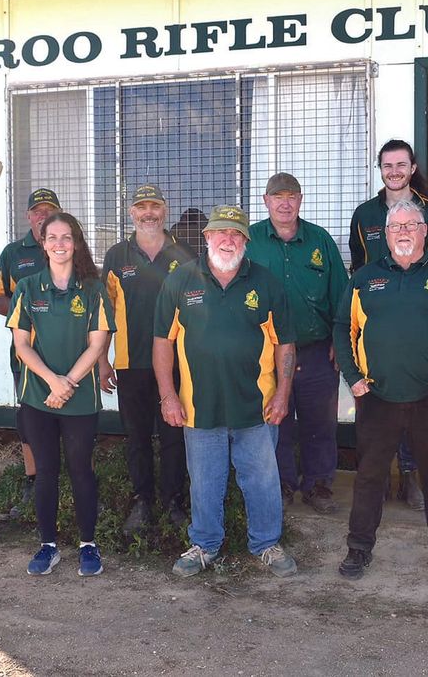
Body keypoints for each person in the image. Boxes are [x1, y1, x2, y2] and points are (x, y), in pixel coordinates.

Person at [334, 200, 428, 584]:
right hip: (377, 399)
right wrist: (355, 380)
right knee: (369, 478)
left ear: (424, 231)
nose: (402, 232)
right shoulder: (365, 279)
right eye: (395, 226)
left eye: (411, 225)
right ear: (386, 232)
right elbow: (342, 329)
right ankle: (358, 550)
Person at [154, 205, 298, 578]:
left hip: (258, 406)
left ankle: (266, 543)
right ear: (207, 237)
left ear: (246, 241)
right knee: (204, 480)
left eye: (236, 234)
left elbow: (285, 345)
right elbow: (161, 343)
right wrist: (168, 396)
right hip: (199, 406)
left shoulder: (265, 282)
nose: (228, 240)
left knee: (263, 479)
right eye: (221, 233)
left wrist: (283, 394)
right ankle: (205, 544)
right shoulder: (180, 281)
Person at [6, 212, 113, 576]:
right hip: (38, 397)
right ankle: (47, 545)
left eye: (67, 237)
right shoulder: (28, 287)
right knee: (46, 472)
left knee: (81, 469)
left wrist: (67, 383)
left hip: (80, 399)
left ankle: (88, 545)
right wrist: (52, 381)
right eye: (52, 237)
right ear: (43, 243)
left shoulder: (94, 288)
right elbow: (21, 345)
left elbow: (98, 343)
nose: (59, 244)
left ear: (77, 242)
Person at [349, 139, 428, 510]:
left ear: (412, 169)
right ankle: (375, 479)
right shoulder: (364, 215)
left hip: (421, 329)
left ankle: (411, 477)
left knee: (415, 403)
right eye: (387, 165)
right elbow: (357, 270)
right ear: (381, 170)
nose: (394, 171)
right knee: (374, 406)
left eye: (401, 165)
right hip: (374, 330)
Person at [245, 173, 348, 513]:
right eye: (278, 197)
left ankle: (318, 486)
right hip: (266, 353)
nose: (285, 203)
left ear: (300, 200)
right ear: (266, 201)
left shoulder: (320, 240)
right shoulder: (252, 241)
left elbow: (341, 295)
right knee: (277, 419)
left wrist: (339, 337)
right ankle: (283, 484)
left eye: (291, 196)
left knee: (320, 422)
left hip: (317, 348)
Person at [99, 184, 195, 534]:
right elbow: (104, 314)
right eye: (142, 207)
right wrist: (102, 361)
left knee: (174, 436)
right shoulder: (116, 256)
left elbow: (195, 310)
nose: (148, 213)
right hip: (130, 361)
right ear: (131, 213)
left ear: (165, 211)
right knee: (136, 436)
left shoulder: (184, 254)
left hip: (175, 363)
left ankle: (174, 502)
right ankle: (142, 502)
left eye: (155, 206)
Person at [0, 188, 61, 516]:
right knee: (30, 420)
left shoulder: (69, 245)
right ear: (28, 216)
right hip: (26, 354)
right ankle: (33, 481)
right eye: (37, 211)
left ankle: (72, 481)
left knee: (72, 418)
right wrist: (30, 308)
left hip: (68, 353)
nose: (42, 216)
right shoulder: (13, 253)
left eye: (49, 210)